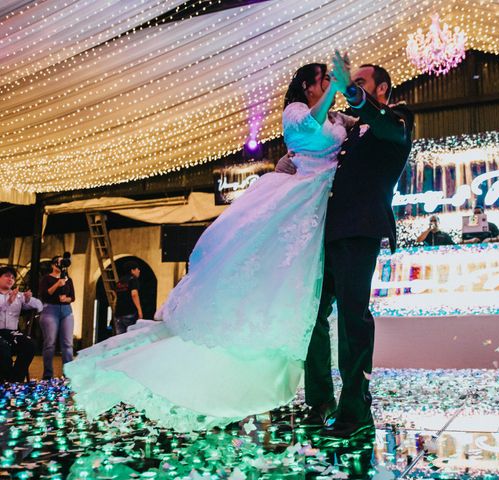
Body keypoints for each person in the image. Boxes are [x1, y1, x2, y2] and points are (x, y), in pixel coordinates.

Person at [64, 62, 356, 432]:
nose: (331, 84)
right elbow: (307, 128)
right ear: (308, 86)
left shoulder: (333, 116)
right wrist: (336, 91)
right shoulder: (296, 112)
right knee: (272, 296)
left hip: (317, 210)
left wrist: (357, 99)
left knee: (298, 307)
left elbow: (354, 125)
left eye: (331, 80)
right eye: (325, 80)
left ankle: (312, 394)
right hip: (297, 208)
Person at [278, 53, 415, 438]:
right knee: (314, 318)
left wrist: (351, 93)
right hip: (325, 231)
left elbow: (388, 128)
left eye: (361, 83)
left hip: (359, 230)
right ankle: (320, 401)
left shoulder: (398, 119)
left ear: (381, 89)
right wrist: (288, 162)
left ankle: (356, 410)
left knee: (353, 319)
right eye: (348, 84)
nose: (351, 90)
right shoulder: (350, 130)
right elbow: (317, 155)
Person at [0, 266, 42, 382]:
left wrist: (28, 300)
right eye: (7, 276)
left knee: (30, 345)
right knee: (3, 348)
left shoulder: (18, 295)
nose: (10, 279)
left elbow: (39, 305)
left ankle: (14, 381)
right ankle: (4, 380)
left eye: (13, 277)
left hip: (11, 333)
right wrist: (8, 302)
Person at [38, 256, 76, 380]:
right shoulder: (46, 278)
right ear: (53, 265)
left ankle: (68, 374)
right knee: (50, 343)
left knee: (68, 344)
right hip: (50, 310)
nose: (61, 264)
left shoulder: (68, 279)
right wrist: (57, 284)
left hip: (66, 310)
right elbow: (44, 294)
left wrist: (66, 299)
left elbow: (73, 297)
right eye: (59, 262)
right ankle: (48, 375)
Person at [114, 261, 143, 335]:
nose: (139, 271)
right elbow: (134, 294)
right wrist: (139, 310)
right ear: (132, 270)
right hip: (129, 312)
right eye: (137, 269)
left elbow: (115, 296)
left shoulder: (120, 282)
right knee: (130, 337)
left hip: (118, 313)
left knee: (120, 338)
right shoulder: (133, 279)